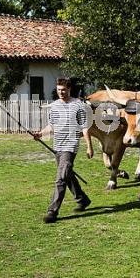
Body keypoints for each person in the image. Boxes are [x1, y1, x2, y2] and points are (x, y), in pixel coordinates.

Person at [33, 78, 94, 223]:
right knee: (67, 175)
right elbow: (52, 126)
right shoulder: (54, 106)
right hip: (57, 146)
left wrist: (89, 146)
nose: (61, 92)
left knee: (61, 178)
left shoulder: (78, 105)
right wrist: (41, 134)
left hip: (70, 145)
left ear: (69, 89)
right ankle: (82, 199)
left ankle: (52, 211)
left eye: (64, 90)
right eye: (59, 90)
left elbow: (85, 127)